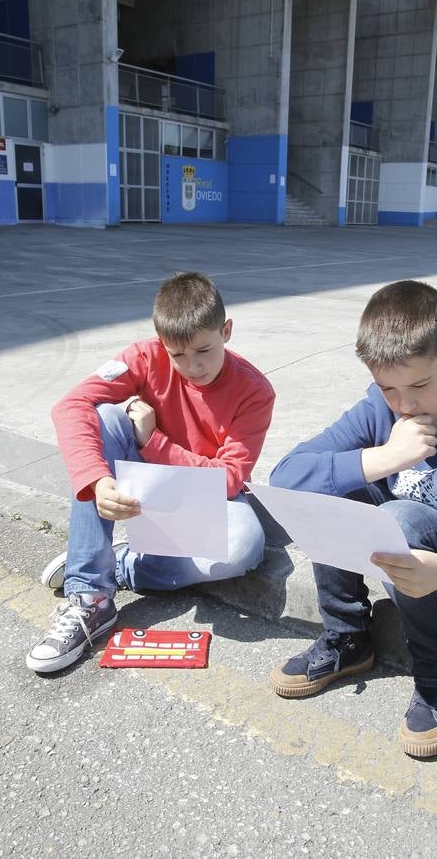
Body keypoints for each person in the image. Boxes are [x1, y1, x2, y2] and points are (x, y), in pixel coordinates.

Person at [269, 280, 437, 758]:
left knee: (400, 516)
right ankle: (348, 636)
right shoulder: (381, 409)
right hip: (411, 561)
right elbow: (288, 474)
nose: (405, 404)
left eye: (419, 385)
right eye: (388, 388)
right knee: (338, 484)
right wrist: (381, 458)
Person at [27, 271, 275, 674]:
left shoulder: (254, 390)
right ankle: (91, 595)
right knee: (105, 417)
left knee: (244, 545)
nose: (192, 366)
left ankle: (121, 564)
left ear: (226, 331)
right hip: (144, 482)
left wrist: (152, 441)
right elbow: (69, 406)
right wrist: (96, 480)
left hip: (204, 492)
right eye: (177, 355)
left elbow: (228, 479)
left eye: (204, 351)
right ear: (162, 343)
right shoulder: (144, 356)